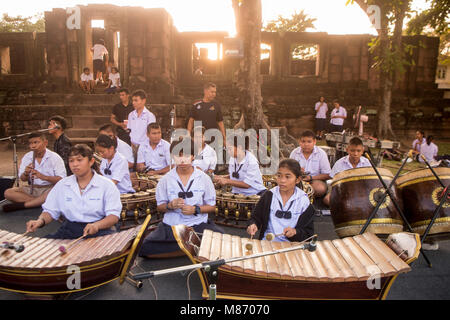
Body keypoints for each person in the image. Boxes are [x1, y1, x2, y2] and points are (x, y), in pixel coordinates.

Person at [139, 137, 223, 258]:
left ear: (193, 156)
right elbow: (160, 207)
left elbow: (212, 207)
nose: (182, 160)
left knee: (220, 238)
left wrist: (196, 210)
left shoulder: (204, 178)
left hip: (197, 224)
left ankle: (184, 248)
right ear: (172, 157)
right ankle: (192, 248)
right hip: (173, 225)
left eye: (186, 156)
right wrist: (170, 206)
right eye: (178, 156)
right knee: (146, 247)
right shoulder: (166, 179)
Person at [25, 144, 121, 239]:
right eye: (71, 161)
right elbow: (50, 211)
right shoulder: (62, 184)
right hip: (69, 230)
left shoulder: (107, 185)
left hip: (100, 230)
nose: (75, 164)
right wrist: (39, 221)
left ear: (91, 161)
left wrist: (97, 225)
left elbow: (113, 216)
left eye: (79, 160)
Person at [247, 159, 315, 242]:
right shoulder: (269, 195)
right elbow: (255, 217)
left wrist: (295, 232)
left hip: (292, 246)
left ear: (297, 180)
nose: (282, 180)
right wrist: (253, 224)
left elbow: (308, 234)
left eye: (287, 177)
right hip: (267, 243)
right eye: (279, 176)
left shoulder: (303, 201)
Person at [2, 133, 66, 212]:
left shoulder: (55, 157)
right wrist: (26, 173)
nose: (33, 146)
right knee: (8, 193)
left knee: (59, 192)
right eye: (31, 143)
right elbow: (23, 179)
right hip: (33, 189)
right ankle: (40, 203)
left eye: (36, 142)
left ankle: (28, 204)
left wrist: (43, 177)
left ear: (45, 143)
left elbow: (62, 179)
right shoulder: (27, 157)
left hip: (50, 188)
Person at [323, 137, 371, 206]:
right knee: (327, 199)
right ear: (347, 150)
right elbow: (332, 181)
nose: (355, 154)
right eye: (352, 150)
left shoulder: (367, 163)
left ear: (362, 151)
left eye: (358, 151)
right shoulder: (339, 163)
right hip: (342, 191)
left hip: (361, 191)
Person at [289, 130, 331, 197]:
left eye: (309, 141)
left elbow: (328, 175)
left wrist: (310, 177)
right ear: (299, 142)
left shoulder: (321, 154)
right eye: (303, 141)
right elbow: (288, 170)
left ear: (314, 142)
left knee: (320, 188)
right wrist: (297, 171)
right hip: (297, 180)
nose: (306, 144)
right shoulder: (295, 153)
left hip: (314, 180)